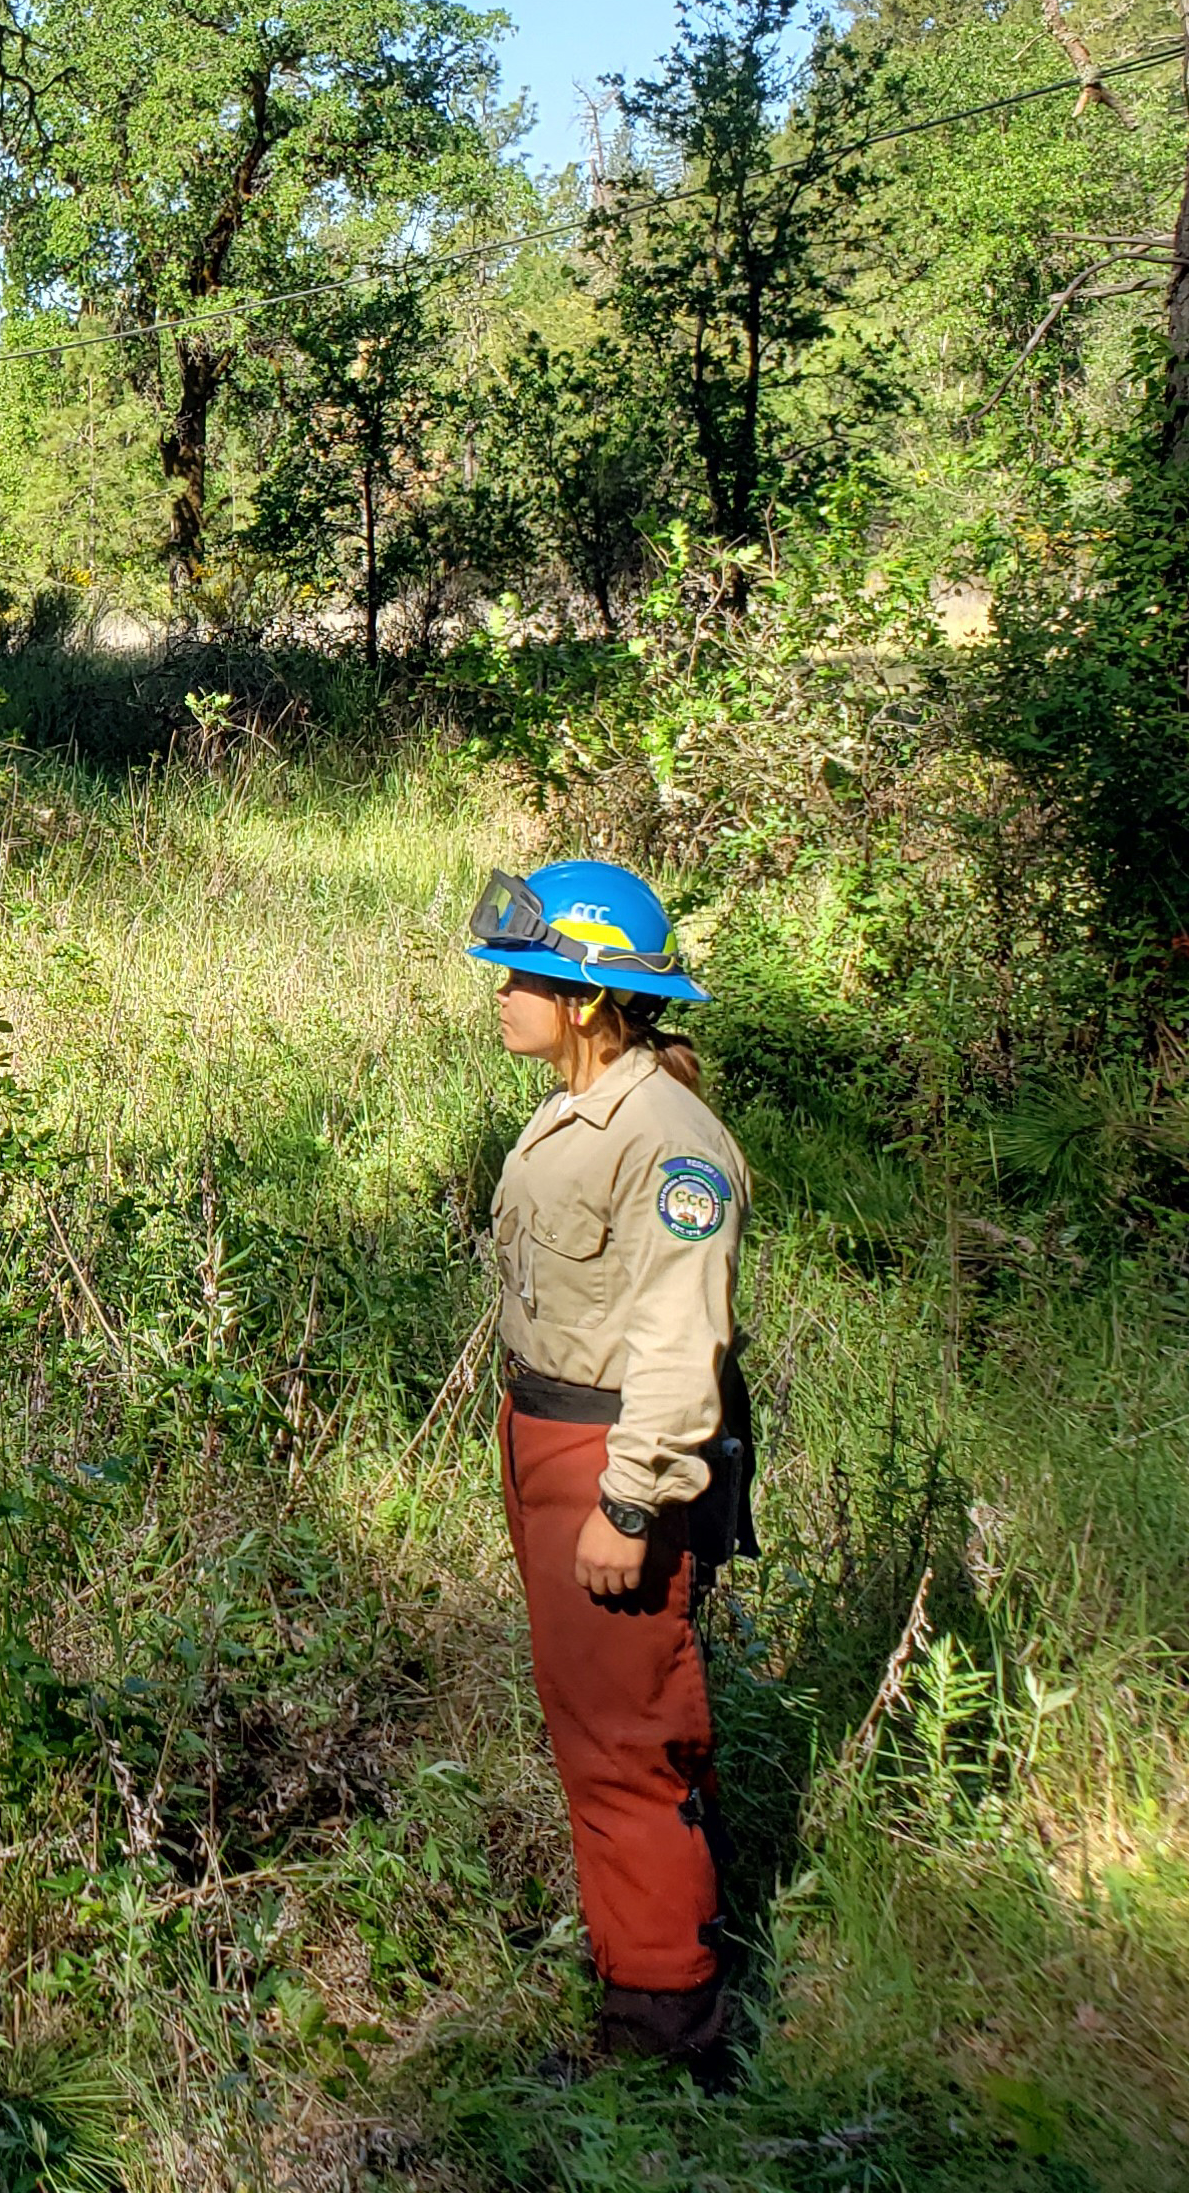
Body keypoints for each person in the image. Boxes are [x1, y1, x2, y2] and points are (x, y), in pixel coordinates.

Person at [464, 857, 757, 2086]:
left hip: (609, 1456)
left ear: (588, 996)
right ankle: (635, 1961)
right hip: (548, 1439)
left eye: (521, 975)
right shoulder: (576, 1102)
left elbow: (680, 1340)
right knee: (590, 1723)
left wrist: (631, 1502)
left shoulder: (671, 1144)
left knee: (631, 1737)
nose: (497, 993)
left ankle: (665, 2033)